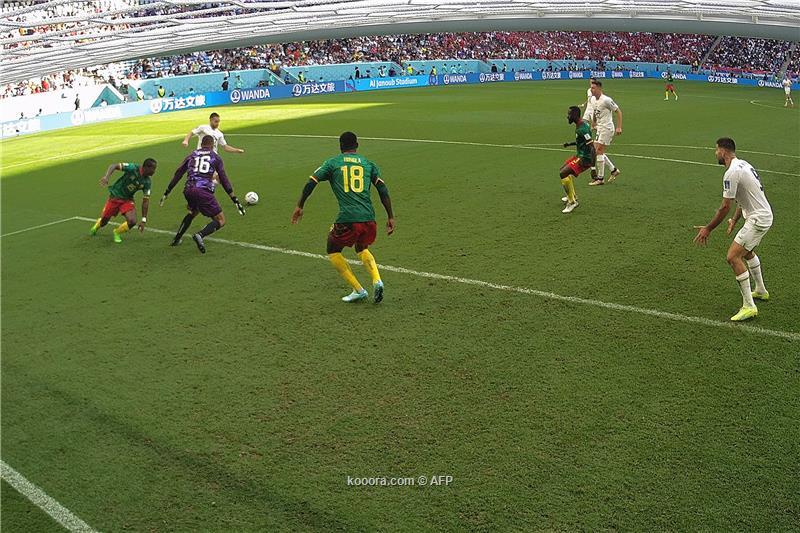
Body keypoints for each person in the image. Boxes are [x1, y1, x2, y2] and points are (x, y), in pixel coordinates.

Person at [291, 132, 395, 303]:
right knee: (361, 248)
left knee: (332, 249)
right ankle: (377, 280)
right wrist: (390, 216)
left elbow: (311, 182)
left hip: (347, 218)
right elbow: (383, 190)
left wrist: (300, 205)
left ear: (340, 146)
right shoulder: (368, 164)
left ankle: (359, 289)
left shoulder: (332, 163)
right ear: (357, 145)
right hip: (369, 218)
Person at [693, 138, 773, 321]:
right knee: (747, 251)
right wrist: (734, 220)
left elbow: (724, 207)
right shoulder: (743, 164)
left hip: (758, 219)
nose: (715, 153)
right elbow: (741, 198)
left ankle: (749, 306)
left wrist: (708, 228)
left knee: (733, 256)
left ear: (723, 151)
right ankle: (761, 290)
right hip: (762, 215)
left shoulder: (731, 172)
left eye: (716, 150)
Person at [160, 135, 246, 252]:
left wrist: (167, 191)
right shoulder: (215, 157)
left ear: (201, 144)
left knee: (193, 212)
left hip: (188, 190)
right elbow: (223, 179)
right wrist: (234, 198)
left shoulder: (192, 155)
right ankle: (200, 235)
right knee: (220, 220)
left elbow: (179, 173)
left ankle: (177, 239)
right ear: (213, 145)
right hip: (203, 191)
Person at [90, 159, 157, 243]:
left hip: (127, 200)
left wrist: (144, 219)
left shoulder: (147, 182)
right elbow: (113, 165)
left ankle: (117, 232)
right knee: (104, 222)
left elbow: (146, 201)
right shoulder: (133, 168)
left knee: (132, 221)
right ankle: (97, 225)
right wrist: (106, 177)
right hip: (115, 196)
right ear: (146, 167)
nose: (154, 171)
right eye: (153, 169)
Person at [559, 106, 596, 213]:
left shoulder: (582, 129)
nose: (567, 116)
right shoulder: (581, 125)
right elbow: (582, 141)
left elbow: (592, 148)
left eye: (569, 114)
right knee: (563, 170)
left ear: (575, 115)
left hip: (584, 158)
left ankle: (572, 202)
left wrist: (593, 168)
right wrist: (569, 144)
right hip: (579, 155)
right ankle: (572, 195)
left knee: (563, 173)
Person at [588, 80, 621, 185]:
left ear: (599, 88)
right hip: (600, 128)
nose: (591, 90)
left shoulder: (606, 100)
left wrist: (619, 127)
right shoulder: (593, 99)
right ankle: (613, 170)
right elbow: (595, 111)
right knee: (596, 150)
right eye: (591, 88)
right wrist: (593, 122)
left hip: (607, 128)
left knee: (598, 151)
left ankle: (600, 178)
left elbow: (618, 111)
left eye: (593, 88)